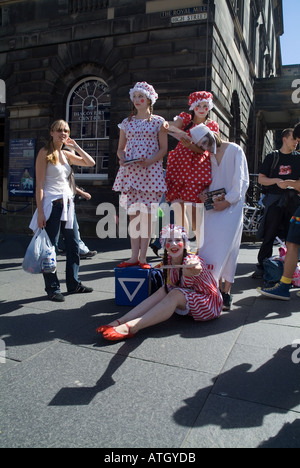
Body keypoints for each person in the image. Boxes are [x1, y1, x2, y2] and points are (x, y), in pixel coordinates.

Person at [96, 224, 223, 341]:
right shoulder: (168, 259)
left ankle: (132, 327)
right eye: (169, 241)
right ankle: (122, 320)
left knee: (175, 293)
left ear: (184, 243)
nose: (174, 244)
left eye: (178, 240)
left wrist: (193, 268)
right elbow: (173, 284)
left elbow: (196, 267)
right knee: (165, 289)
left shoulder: (190, 259)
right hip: (190, 296)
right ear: (164, 244)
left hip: (209, 303)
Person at [29, 119, 96, 302]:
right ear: (51, 132)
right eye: (59, 130)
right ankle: (52, 288)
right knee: (50, 249)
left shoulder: (66, 153)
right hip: (52, 205)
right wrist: (41, 212)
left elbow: (90, 162)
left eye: (66, 130)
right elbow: (40, 185)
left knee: (73, 245)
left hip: (68, 205)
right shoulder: (45, 153)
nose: (63, 133)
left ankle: (74, 284)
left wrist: (76, 146)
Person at [113, 82, 168, 269]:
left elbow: (163, 149)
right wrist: (122, 159)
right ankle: (133, 256)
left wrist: (150, 161)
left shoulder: (159, 122)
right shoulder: (126, 123)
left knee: (148, 215)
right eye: (134, 96)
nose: (137, 100)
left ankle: (143, 258)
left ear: (149, 99)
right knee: (133, 216)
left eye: (140, 96)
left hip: (150, 173)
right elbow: (120, 149)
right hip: (131, 173)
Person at [194, 124, 249, 311]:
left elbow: (241, 181)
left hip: (232, 206)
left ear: (211, 135)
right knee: (208, 245)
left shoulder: (235, 150)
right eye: (200, 145)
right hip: (212, 206)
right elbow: (211, 181)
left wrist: (227, 202)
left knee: (229, 247)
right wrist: (204, 194)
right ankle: (211, 287)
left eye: (205, 142)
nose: (204, 147)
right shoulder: (207, 155)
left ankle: (226, 292)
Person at [165, 91, 219, 249]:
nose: (202, 109)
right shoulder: (186, 118)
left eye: (205, 106)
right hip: (178, 166)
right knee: (178, 207)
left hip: (197, 169)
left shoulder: (212, 125)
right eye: (198, 106)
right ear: (193, 107)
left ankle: (203, 248)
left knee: (194, 210)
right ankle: (184, 247)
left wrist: (192, 147)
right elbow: (170, 126)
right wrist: (165, 124)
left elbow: (210, 149)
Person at [258, 123, 300, 300]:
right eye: (295, 139)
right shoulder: (272, 156)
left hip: (295, 201)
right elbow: (261, 179)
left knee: (291, 242)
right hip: (276, 200)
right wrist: (277, 181)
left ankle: (285, 282)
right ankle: (265, 269)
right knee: (280, 238)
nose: (297, 142)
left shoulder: (299, 157)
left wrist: (290, 183)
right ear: (285, 139)